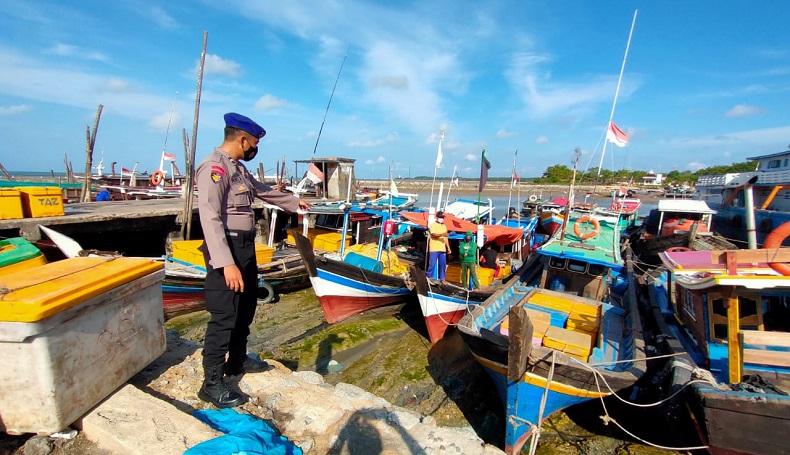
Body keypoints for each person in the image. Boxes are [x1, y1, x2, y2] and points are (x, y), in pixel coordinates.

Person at [196, 112, 310, 408]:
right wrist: (225, 262)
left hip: (245, 247)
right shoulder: (215, 168)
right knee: (224, 315)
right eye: (254, 143)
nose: (254, 149)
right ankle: (211, 383)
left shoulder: (238, 169)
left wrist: (296, 204)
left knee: (245, 309)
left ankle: (236, 361)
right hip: (227, 248)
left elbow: (263, 192)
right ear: (243, 139)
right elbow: (209, 217)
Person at [427, 211, 450, 281]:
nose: (442, 219)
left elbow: (446, 238)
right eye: (441, 217)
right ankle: (428, 277)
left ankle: (442, 279)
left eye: (443, 217)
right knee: (432, 264)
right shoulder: (433, 225)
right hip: (434, 248)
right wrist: (442, 234)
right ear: (437, 217)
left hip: (442, 248)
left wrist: (448, 248)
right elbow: (433, 235)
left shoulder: (444, 226)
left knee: (443, 265)